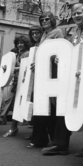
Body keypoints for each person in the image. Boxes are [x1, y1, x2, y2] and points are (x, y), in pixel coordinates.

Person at [42, 3, 83, 156]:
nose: (76, 16)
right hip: (73, 77)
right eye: (74, 14)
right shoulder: (73, 33)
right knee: (64, 107)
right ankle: (60, 144)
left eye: (79, 13)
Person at [27, 12, 63, 148]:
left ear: (52, 20)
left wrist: (42, 61)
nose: (44, 21)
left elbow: (59, 52)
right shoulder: (43, 35)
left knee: (51, 107)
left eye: (47, 19)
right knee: (41, 106)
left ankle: (55, 139)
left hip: (51, 74)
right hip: (41, 74)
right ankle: (39, 139)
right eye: (42, 20)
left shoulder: (57, 32)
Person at [3, 35, 30, 137]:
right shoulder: (19, 53)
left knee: (17, 105)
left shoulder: (27, 54)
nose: (19, 45)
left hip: (23, 82)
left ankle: (13, 127)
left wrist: (13, 68)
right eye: (18, 43)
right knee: (15, 105)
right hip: (17, 81)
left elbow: (25, 67)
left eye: (22, 43)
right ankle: (13, 127)